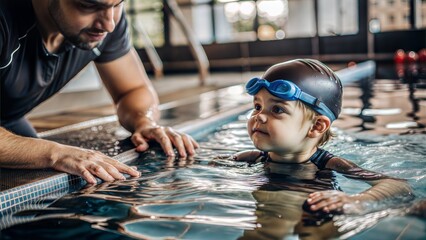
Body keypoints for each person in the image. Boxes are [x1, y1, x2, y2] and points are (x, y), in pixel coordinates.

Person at [0, 0, 199, 185]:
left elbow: (131, 89)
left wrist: (144, 122)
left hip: (9, 119)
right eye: (89, 6)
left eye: (118, 4)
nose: (109, 24)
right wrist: (56, 153)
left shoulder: (106, 21)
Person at [232, 59, 413, 216]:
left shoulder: (329, 164)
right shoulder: (249, 158)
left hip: (316, 220)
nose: (259, 116)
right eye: (257, 106)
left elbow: (397, 185)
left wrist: (356, 201)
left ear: (316, 126)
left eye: (277, 109)